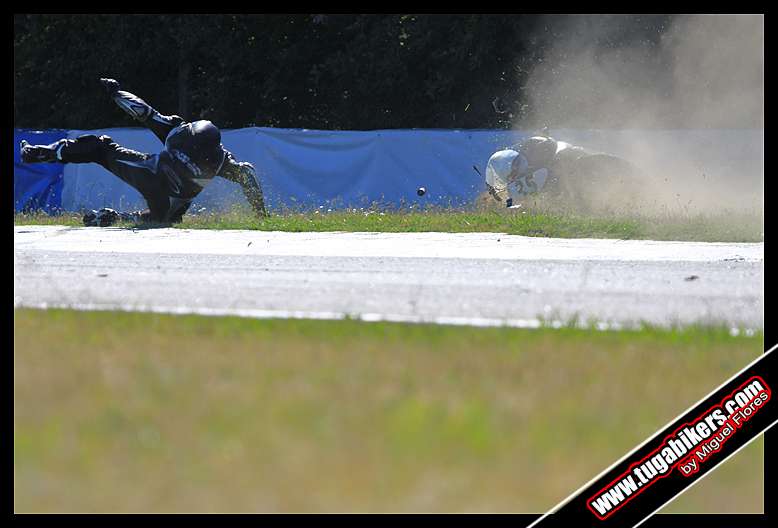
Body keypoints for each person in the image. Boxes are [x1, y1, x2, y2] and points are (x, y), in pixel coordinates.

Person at [20, 78, 268, 226]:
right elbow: (248, 175)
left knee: (100, 147)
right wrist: (262, 217)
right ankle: (118, 218)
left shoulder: (186, 136)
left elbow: (142, 110)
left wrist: (117, 93)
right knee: (162, 219)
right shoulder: (208, 151)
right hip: (171, 200)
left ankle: (46, 153)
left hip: (152, 176)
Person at [483, 133, 641, 210]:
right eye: (514, 170)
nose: (518, 169)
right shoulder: (513, 189)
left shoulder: (543, 151)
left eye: (518, 164)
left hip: (581, 165)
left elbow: (550, 144)